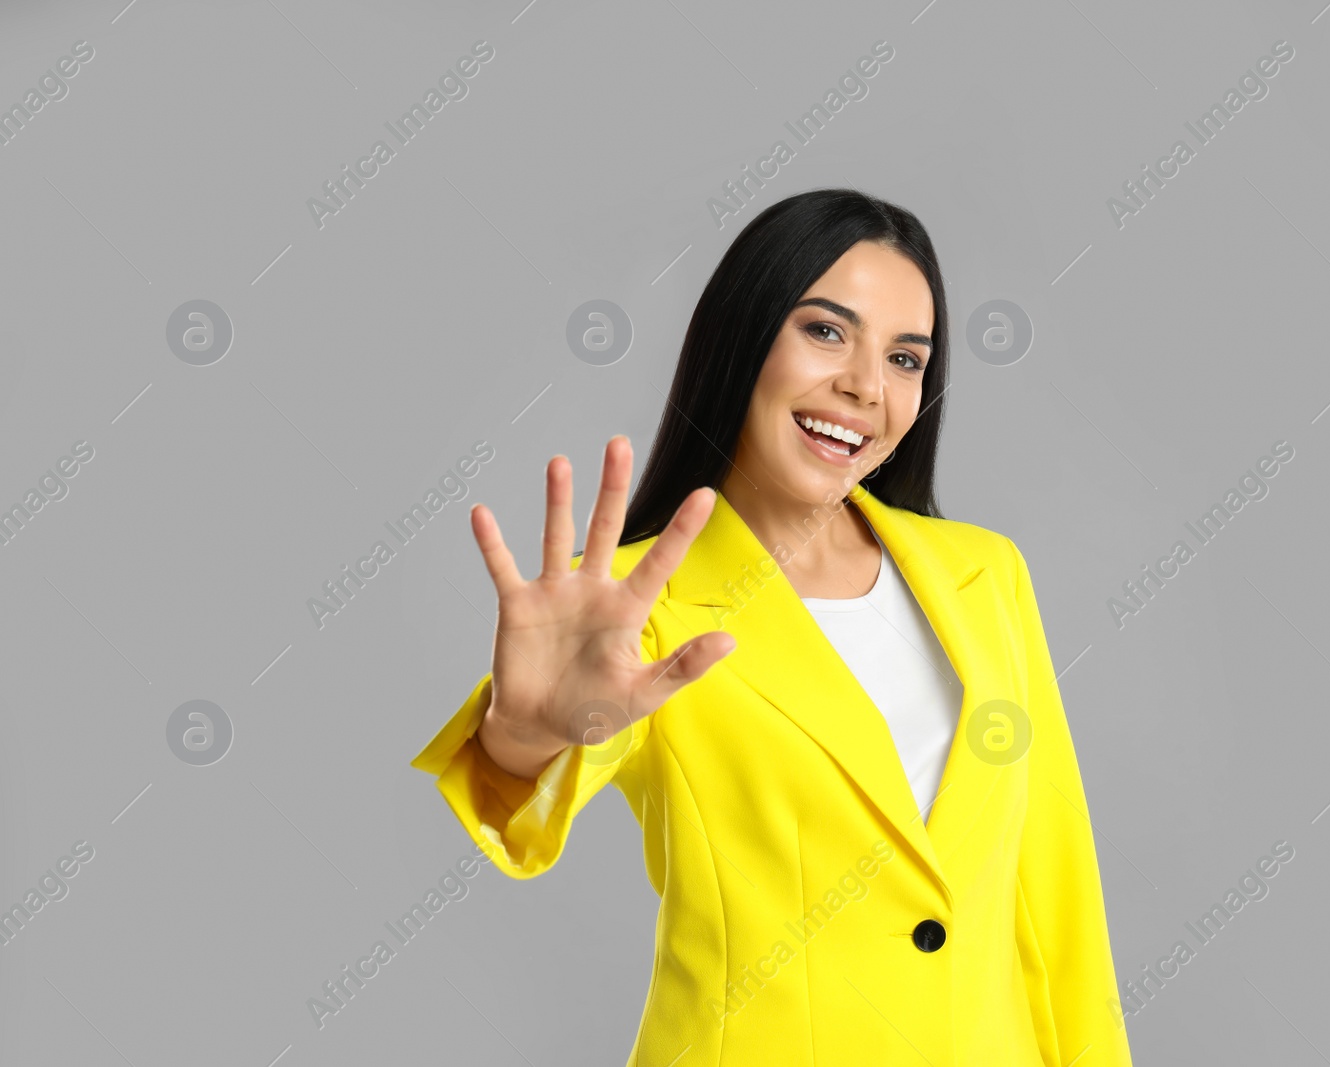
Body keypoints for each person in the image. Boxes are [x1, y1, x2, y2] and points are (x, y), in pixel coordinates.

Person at [410, 188, 1134, 1065]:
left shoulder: (986, 577)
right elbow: (530, 784)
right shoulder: (645, 605)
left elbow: (1057, 897)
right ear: (742, 338)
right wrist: (521, 732)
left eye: (906, 358)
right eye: (825, 331)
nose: (866, 386)